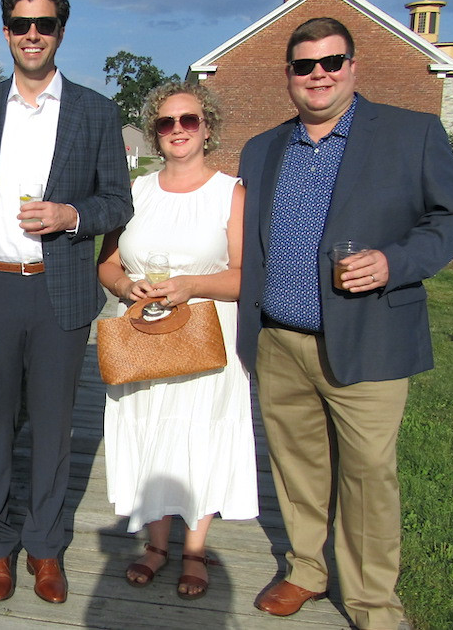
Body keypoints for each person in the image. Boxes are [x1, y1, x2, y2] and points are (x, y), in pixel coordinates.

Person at [237, 17, 453, 630]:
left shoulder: (411, 133)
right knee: (296, 469)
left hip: (368, 338)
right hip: (280, 340)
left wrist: (394, 261)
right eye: (304, 66)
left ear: (353, 67)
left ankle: (374, 605)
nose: (319, 74)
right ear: (288, 76)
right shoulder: (263, 147)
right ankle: (306, 571)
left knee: (369, 476)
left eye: (332, 62)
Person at [0, 0, 134, 604]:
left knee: (52, 429)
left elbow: (117, 201)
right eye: (21, 24)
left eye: (44, 24)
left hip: (62, 291)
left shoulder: (96, 111)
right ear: (6, 31)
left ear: (60, 32)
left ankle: (45, 547)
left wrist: (71, 216)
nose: (32, 34)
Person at [97, 81, 258, 600]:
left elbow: (244, 276)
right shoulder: (135, 192)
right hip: (144, 333)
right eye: (167, 123)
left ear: (206, 128)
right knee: (150, 432)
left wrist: (192, 285)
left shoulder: (231, 192)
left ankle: (194, 549)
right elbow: (108, 264)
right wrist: (125, 286)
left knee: (202, 434)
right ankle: (156, 545)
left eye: (189, 120)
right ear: (155, 133)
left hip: (207, 336)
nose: (178, 131)